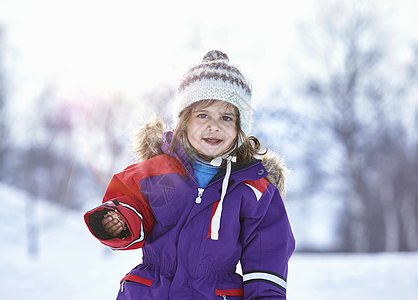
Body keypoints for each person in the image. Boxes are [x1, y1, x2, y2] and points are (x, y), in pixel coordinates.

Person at [84, 50, 295, 299]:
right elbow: (131, 199)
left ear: (240, 128)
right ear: (184, 120)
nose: (213, 125)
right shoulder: (156, 171)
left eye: (226, 117)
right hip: (152, 289)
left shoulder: (254, 188)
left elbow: (267, 251)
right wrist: (120, 219)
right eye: (202, 115)